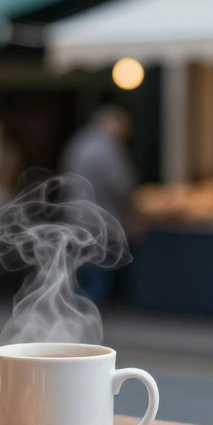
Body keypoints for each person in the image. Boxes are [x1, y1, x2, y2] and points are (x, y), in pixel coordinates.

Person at [59, 105, 136, 302]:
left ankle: (76, 306)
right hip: (101, 216)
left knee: (81, 265)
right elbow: (120, 186)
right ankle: (87, 308)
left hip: (75, 214)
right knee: (98, 268)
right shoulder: (107, 149)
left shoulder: (79, 142)